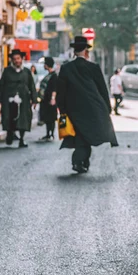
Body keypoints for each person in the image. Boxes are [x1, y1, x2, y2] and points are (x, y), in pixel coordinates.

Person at [56, 36, 118, 174]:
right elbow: (102, 89)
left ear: (74, 51)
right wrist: (107, 108)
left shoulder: (66, 68)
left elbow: (61, 91)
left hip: (73, 109)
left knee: (80, 135)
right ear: (86, 51)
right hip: (92, 109)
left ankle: (80, 161)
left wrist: (62, 110)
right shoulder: (93, 67)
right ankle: (79, 160)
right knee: (87, 135)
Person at [0, 49, 37, 148]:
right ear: (12, 60)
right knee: (9, 118)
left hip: (24, 99)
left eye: (18, 58)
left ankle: (22, 139)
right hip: (9, 99)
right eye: (14, 59)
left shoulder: (26, 72)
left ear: (22, 59)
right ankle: (10, 134)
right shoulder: (7, 71)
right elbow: (1, 85)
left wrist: (34, 99)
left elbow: (32, 86)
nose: (16, 61)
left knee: (23, 119)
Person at [38, 57, 58, 141]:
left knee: (51, 118)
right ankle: (47, 134)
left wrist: (53, 98)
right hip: (45, 100)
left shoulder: (54, 76)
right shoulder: (49, 75)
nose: (44, 66)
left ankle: (51, 134)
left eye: (44, 64)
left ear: (47, 65)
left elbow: (55, 88)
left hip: (51, 100)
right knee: (47, 118)